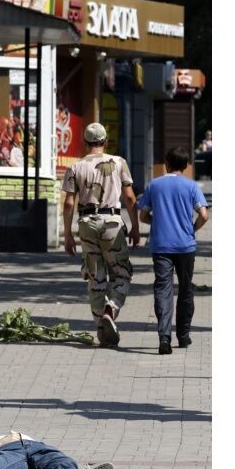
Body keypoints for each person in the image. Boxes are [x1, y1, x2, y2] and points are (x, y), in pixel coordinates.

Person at [62, 123, 141, 348]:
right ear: (105, 142)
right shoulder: (118, 163)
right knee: (122, 273)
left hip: (86, 223)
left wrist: (68, 234)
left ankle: (100, 329)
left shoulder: (75, 167)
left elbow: (69, 204)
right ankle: (111, 309)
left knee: (95, 275)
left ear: (84, 143)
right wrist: (135, 227)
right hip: (113, 224)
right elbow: (130, 198)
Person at [137, 146, 209, 354]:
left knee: (163, 289)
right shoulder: (191, 186)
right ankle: (184, 336)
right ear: (186, 166)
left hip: (161, 246)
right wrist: (192, 229)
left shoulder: (154, 185)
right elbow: (203, 215)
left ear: (166, 164)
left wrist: (157, 222)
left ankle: (164, 338)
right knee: (186, 289)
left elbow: (142, 216)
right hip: (186, 246)